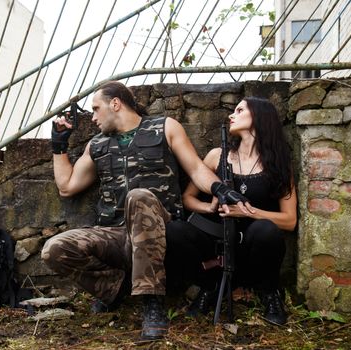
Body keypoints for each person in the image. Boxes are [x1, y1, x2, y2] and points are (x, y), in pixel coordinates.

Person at [41, 81, 251, 340]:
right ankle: (115, 290)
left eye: (96, 109)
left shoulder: (164, 127)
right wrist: (59, 145)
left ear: (115, 103)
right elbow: (67, 187)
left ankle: (152, 302)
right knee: (54, 249)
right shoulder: (96, 145)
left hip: (159, 231)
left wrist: (219, 189)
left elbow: (196, 169)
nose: (93, 117)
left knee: (138, 196)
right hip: (116, 235)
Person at [165, 97, 297, 325]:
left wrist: (248, 213)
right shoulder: (217, 156)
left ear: (258, 116)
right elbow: (187, 198)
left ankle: (269, 293)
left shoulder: (279, 165)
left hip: (250, 255)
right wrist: (209, 206)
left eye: (239, 110)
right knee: (174, 230)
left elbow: (290, 220)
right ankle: (209, 288)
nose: (231, 115)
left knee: (267, 231)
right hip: (214, 252)